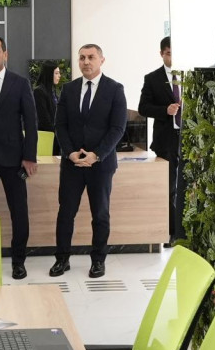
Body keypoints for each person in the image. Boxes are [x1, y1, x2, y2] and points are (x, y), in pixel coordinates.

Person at [50, 44, 126, 279]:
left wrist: (97, 154)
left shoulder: (115, 89)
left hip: (100, 165)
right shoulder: (69, 89)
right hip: (72, 163)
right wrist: (70, 152)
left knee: (100, 214)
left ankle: (98, 261)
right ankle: (62, 259)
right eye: (82, 57)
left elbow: (117, 128)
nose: (86, 62)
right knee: (66, 213)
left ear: (102, 60)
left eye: (91, 57)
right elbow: (60, 125)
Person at [0, 35, 40, 280]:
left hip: (14, 158)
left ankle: (18, 262)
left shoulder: (20, 83)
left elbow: (31, 122)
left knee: (19, 211)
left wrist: (30, 156)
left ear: (5, 54)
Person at [137, 35, 184, 245]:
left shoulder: (189, 74)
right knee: (169, 187)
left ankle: (186, 230)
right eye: (168, 54)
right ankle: (171, 233)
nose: (172, 58)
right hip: (166, 140)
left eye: (175, 53)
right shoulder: (152, 78)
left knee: (186, 185)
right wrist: (165, 110)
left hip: (188, 138)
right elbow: (143, 108)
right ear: (161, 54)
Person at [34, 62, 62, 132]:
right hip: (46, 135)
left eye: (59, 73)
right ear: (49, 74)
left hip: (54, 134)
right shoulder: (39, 92)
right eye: (56, 73)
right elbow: (44, 120)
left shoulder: (53, 92)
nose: (59, 76)